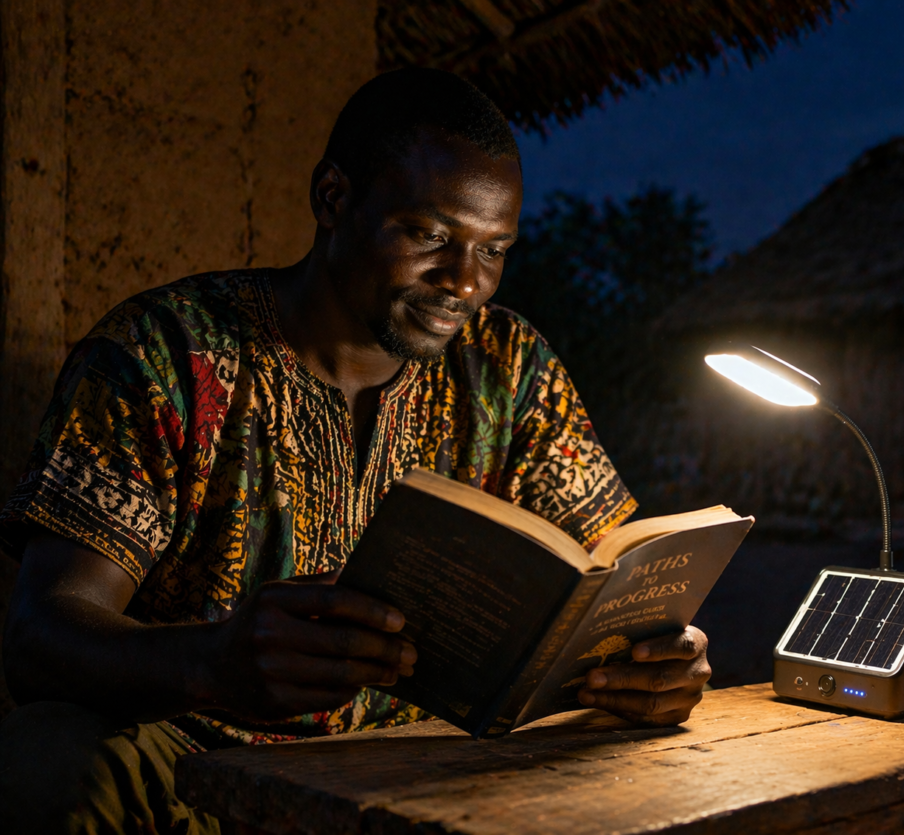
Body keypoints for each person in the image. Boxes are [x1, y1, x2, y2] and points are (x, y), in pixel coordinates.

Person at [0, 68, 711, 833]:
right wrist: (211, 662)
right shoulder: (167, 354)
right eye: (431, 236)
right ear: (334, 198)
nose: (465, 282)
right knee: (46, 757)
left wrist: (662, 658)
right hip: (196, 765)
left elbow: (612, 568)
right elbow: (42, 634)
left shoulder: (510, 367)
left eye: (494, 249)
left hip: (425, 774)